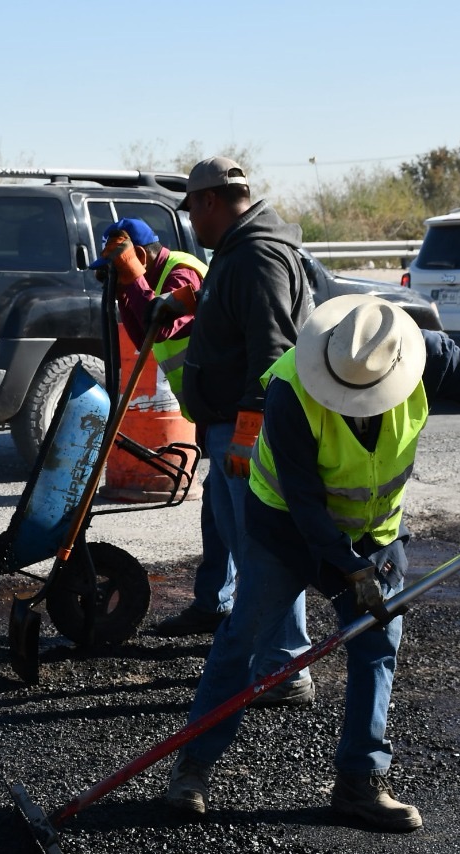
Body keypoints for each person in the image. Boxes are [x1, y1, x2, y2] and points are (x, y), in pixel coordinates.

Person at [161, 294, 460, 828]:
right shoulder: (291, 389)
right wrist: (349, 569)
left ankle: (360, 782)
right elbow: (303, 500)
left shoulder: (431, 357)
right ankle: (194, 766)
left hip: (375, 532)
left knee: (376, 647)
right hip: (287, 530)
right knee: (244, 639)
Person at [152, 156, 316, 701]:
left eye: (193, 208)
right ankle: (266, 658)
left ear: (210, 201)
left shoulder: (256, 257)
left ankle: (286, 668)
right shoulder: (237, 254)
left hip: (249, 431)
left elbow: (272, 353)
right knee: (250, 552)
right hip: (227, 427)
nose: (191, 221)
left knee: (265, 550)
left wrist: (247, 434)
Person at [88, 217, 232, 635]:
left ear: (143, 254)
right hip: (208, 411)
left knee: (235, 519)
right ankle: (215, 604)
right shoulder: (146, 281)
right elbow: (143, 336)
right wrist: (124, 291)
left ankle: (245, 617)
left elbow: (164, 322)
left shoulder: (183, 272)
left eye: (122, 265)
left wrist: (132, 278)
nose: (118, 275)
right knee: (217, 512)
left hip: (230, 409)